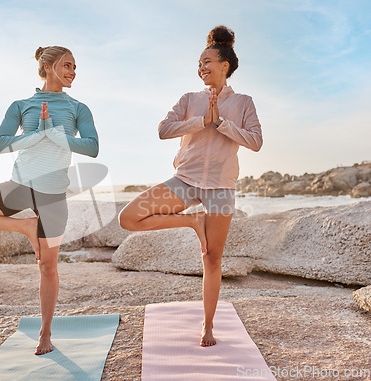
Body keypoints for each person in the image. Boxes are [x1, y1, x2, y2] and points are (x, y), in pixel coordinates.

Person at [0, 46, 99, 355]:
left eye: (75, 67)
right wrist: (35, 136)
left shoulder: (78, 108)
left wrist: (55, 135)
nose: (73, 71)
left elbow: (92, 147)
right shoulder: (21, 105)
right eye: (67, 65)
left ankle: (45, 332)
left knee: (48, 267)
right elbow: (0, 145)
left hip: (53, 194)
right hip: (19, 186)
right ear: (48, 66)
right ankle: (26, 227)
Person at [118, 26, 262, 347]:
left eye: (207, 61)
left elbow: (256, 141)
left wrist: (222, 123)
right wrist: (202, 121)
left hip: (221, 188)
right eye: (199, 63)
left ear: (224, 65)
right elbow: (163, 129)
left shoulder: (243, 102)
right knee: (128, 218)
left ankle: (208, 326)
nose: (202, 67)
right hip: (184, 181)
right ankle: (191, 220)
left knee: (211, 257)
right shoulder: (189, 99)